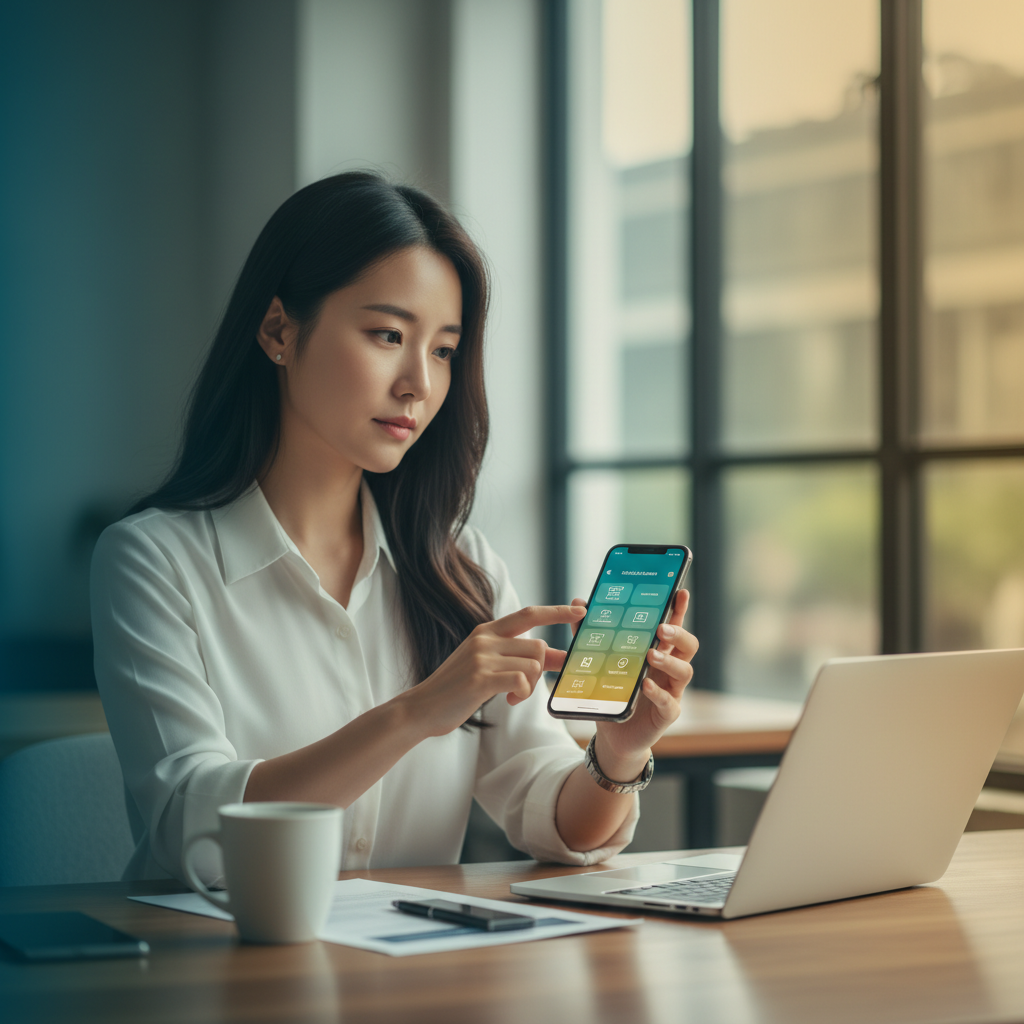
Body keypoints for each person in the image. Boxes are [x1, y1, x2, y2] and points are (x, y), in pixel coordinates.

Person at [90, 172, 699, 885]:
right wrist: (415, 712)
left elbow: (553, 820)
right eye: (387, 334)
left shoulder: (458, 567)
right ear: (279, 330)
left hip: (406, 981)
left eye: (443, 349)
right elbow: (190, 829)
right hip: (217, 973)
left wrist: (618, 753)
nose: (419, 382)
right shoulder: (151, 561)